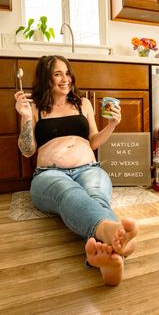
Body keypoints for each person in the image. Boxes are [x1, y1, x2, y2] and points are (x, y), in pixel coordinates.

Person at [14, 55, 138, 286]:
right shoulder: (34, 108)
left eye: (67, 73)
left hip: (88, 168)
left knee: (96, 198)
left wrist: (112, 125)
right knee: (69, 193)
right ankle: (114, 237)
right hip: (49, 175)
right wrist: (25, 119)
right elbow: (28, 150)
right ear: (45, 78)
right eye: (57, 74)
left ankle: (105, 258)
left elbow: (93, 141)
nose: (65, 79)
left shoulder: (83, 103)